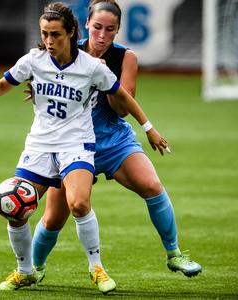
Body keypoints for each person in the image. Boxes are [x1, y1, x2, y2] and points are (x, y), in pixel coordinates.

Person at [0, 1, 169, 294]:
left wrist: (149, 129)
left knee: (79, 203)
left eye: (55, 34)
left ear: (71, 32)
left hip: (77, 144)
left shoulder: (91, 67)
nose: (49, 41)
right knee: (15, 209)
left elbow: (123, 97)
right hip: (41, 145)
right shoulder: (33, 61)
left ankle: (96, 268)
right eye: (44, 34)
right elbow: (5, 83)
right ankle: (25, 271)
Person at [30, 0, 202, 284]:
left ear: (118, 30)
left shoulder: (125, 57)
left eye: (110, 30)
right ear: (85, 25)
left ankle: (174, 254)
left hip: (112, 140)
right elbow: (45, 79)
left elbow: (122, 107)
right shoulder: (67, 48)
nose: (102, 35)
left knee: (152, 186)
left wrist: (102, 74)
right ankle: (33, 269)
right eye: (97, 27)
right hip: (70, 143)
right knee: (53, 218)